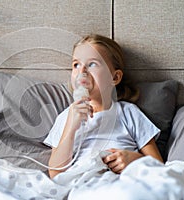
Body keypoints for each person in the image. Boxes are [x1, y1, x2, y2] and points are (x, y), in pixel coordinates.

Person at [44, 34, 163, 179]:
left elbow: (159, 166)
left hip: (120, 182)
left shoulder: (128, 113)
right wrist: (71, 127)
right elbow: (55, 173)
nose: (82, 72)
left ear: (115, 77)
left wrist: (135, 160)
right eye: (76, 64)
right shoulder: (65, 118)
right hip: (81, 183)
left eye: (92, 64)